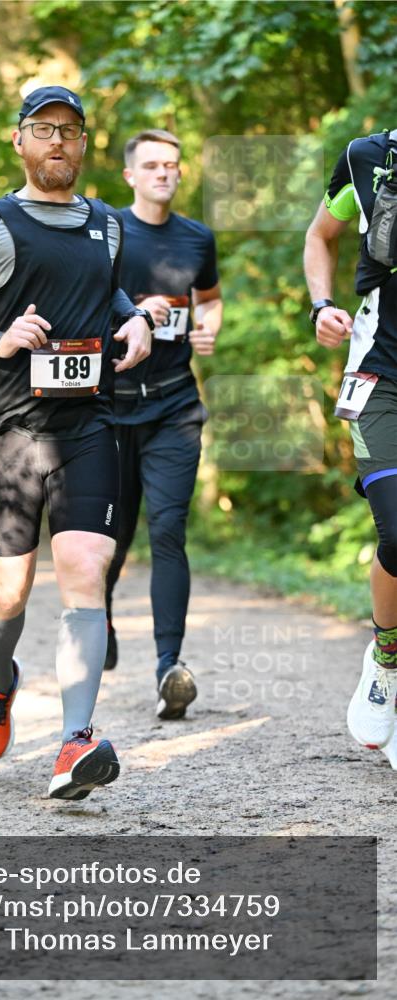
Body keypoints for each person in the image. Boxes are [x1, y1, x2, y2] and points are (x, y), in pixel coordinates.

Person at [0, 85, 153, 800]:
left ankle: (73, 741)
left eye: (70, 130)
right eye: (43, 129)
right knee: (9, 590)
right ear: (19, 141)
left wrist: (137, 319)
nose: (58, 141)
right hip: (10, 431)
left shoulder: (109, 226)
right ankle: (0, 683)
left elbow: (107, 292)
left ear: (84, 146)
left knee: (85, 567)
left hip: (88, 424)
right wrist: (1, 338)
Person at [103, 129, 223, 722]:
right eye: (151, 165)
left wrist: (209, 326)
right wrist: (133, 314)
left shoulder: (198, 237)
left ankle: (168, 668)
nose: (164, 173)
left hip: (176, 405)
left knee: (169, 530)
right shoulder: (105, 232)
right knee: (113, 537)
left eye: (172, 165)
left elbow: (211, 298)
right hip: (112, 408)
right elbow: (83, 302)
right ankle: (98, 612)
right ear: (130, 175)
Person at [304, 127, 397, 769]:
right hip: (381, 375)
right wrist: (322, 304)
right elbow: (320, 236)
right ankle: (387, 655)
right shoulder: (368, 157)